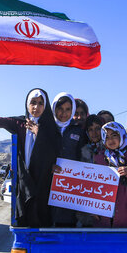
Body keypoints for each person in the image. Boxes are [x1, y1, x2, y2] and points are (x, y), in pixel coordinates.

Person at [0, 83, 59, 227]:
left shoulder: (51, 128)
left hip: (43, 183)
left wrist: (38, 132)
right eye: (33, 102)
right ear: (27, 104)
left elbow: (55, 150)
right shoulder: (19, 123)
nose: (36, 107)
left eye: (41, 103)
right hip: (24, 183)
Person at [93, 122, 127, 228]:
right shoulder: (99, 158)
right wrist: (92, 208)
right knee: (104, 239)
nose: (111, 140)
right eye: (107, 137)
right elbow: (91, 184)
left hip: (125, 207)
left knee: (125, 238)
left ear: (122, 135)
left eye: (114, 135)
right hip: (103, 208)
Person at [50, 92, 85, 227]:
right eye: (60, 108)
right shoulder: (46, 128)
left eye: (68, 109)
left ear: (73, 110)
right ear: (54, 108)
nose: (63, 113)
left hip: (69, 187)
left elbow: (83, 157)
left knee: (66, 222)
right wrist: (49, 165)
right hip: (48, 182)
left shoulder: (78, 131)